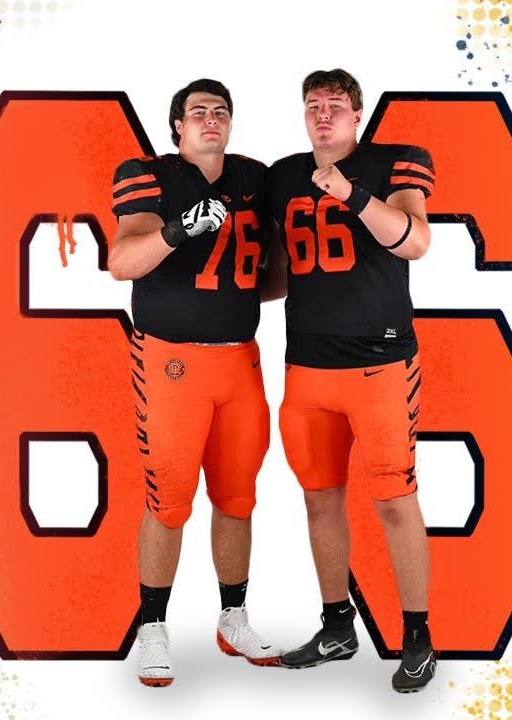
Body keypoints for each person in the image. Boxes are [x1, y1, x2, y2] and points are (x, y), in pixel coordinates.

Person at [266, 68, 436, 693]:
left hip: (380, 363)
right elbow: (278, 273)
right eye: (312, 104)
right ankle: (337, 624)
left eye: (335, 105)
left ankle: (417, 633)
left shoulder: (393, 163)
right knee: (319, 498)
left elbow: (415, 241)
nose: (323, 114)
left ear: (357, 115)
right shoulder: (283, 176)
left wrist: (352, 195)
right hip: (306, 366)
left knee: (394, 500)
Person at [109, 78, 284, 686]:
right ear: (177, 126)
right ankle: (152, 624)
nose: (211, 120)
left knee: (237, 497)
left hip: (240, 359)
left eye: (221, 112)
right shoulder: (149, 175)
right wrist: (178, 230)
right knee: (170, 497)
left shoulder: (253, 178)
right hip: (171, 361)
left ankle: (232, 616)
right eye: (198, 113)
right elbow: (121, 262)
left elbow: (274, 277)